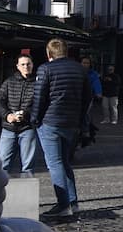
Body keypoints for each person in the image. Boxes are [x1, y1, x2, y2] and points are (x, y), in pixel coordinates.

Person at [34, 38, 93, 218]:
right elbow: (87, 97)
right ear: (66, 52)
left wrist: (35, 119)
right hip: (71, 123)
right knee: (65, 162)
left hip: (50, 122)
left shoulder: (45, 69)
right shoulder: (80, 70)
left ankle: (63, 204)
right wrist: (80, 118)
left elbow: (39, 97)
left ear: (49, 53)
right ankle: (73, 202)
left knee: (55, 163)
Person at [0, 54, 39, 176]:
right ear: (18, 66)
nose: (26, 67)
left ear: (32, 65)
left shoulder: (38, 83)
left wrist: (26, 114)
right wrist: (8, 115)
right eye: (23, 64)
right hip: (9, 127)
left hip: (28, 128)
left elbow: (39, 104)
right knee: (2, 164)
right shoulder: (9, 82)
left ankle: (27, 192)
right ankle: (1, 193)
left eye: (28, 64)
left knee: (28, 166)